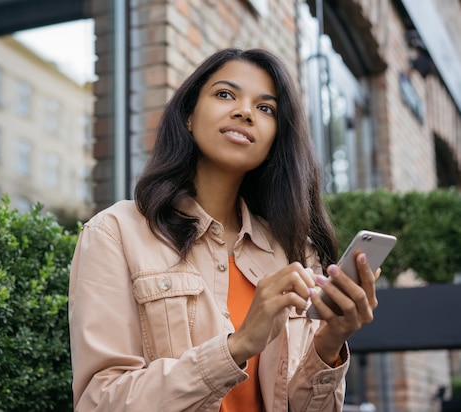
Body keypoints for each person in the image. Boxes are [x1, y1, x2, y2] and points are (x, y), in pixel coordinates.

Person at [69, 48, 379, 411]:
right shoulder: (115, 233)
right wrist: (238, 346)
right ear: (188, 115)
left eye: (265, 109)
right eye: (225, 94)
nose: (245, 112)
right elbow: (99, 401)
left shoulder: (294, 252)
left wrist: (329, 343)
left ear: (274, 139)